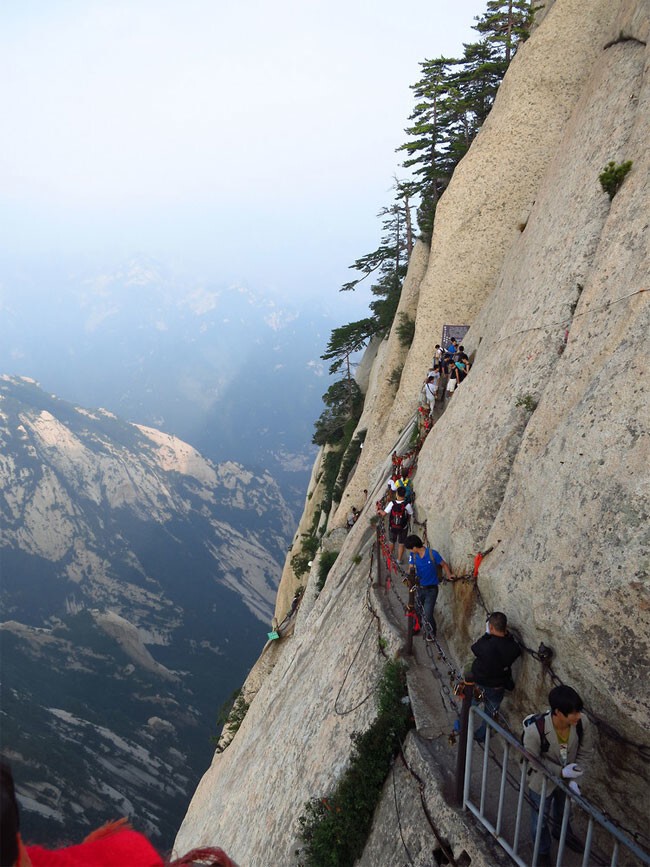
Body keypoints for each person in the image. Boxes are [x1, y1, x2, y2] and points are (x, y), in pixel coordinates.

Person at [523, 685, 594, 865]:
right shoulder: (534, 732)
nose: (578, 716)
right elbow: (534, 761)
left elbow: (585, 753)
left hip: (569, 779)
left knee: (564, 811)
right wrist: (560, 772)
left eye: (578, 711)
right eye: (573, 713)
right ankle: (542, 850)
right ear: (558, 713)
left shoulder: (581, 723)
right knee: (539, 820)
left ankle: (562, 832)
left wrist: (577, 779)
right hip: (542, 780)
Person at [469, 611, 521, 743]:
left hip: (480, 684)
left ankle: (463, 725)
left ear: (491, 627)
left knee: (470, 704)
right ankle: (482, 736)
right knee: (491, 713)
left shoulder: (486, 644)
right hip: (498, 687)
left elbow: (475, 648)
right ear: (505, 627)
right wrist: (507, 637)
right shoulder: (513, 648)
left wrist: (487, 635)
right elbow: (513, 649)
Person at [404, 534, 454, 639]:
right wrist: (409, 577)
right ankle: (417, 627)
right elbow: (411, 568)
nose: (410, 550)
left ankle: (431, 632)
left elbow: (443, 564)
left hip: (431, 589)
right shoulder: (412, 556)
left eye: (410, 548)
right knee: (416, 610)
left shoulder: (432, 554)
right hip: (419, 588)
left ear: (414, 547)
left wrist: (449, 575)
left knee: (427, 613)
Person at [377, 487, 413, 563]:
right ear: (404, 495)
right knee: (401, 543)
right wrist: (406, 521)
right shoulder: (407, 505)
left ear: (397, 494)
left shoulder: (392, 503)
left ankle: (390, 557)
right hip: (403, 527)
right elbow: (410, 514)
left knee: (391, 541)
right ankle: (399, 560)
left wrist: (379, 511)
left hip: (392, 527)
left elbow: (384, 514)